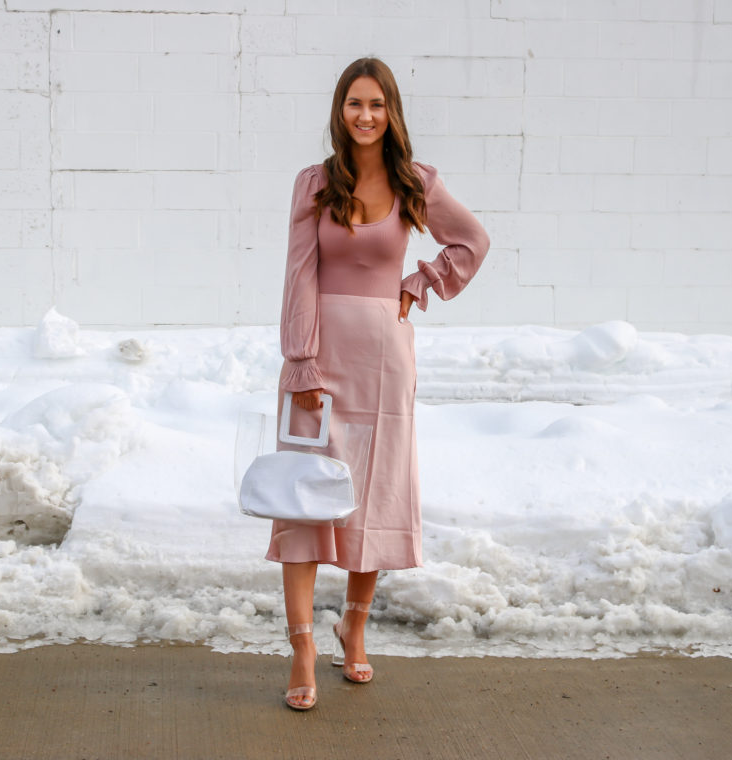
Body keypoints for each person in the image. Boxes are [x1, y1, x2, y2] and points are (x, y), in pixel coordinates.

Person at [268, 57, 490, 711]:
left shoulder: (415, 181)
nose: (364, 115)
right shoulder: (315, 183)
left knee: (372, 495)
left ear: (391, 112)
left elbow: (471, 241)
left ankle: (354, 628)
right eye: (353, 104)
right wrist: (300, 360)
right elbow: (299, 274)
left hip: (386, 365)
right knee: (306, 500)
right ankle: (303, 645)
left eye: (376, 104)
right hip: (320, 359)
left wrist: (423, 282)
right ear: (339, 111)